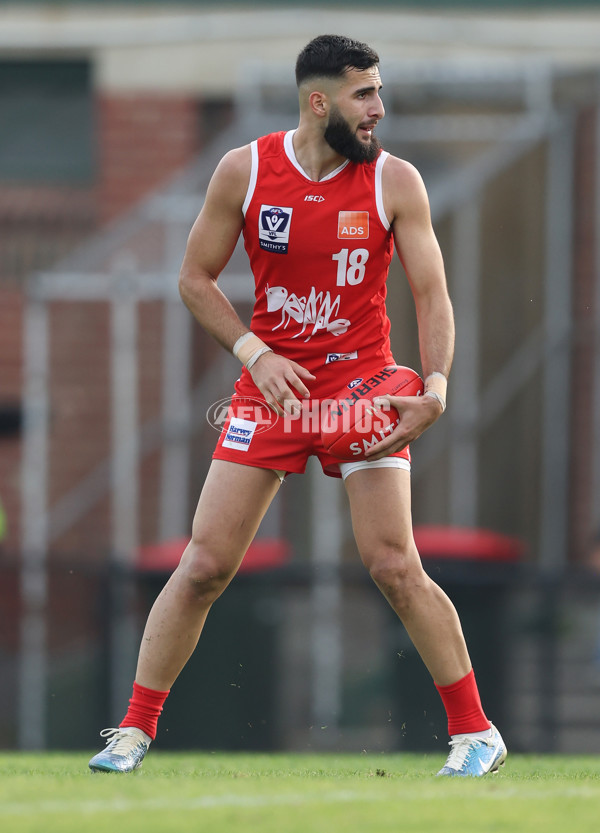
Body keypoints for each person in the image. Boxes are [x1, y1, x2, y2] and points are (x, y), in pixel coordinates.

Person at [89, 34, 506, 777]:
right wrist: (255, 352)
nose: (379, 108)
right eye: (364, 93)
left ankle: (476, 732)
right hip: (271, 391)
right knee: (205, 564)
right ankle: (132, 730)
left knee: (393, 565)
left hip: (365, 392)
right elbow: (194, 278)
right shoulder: (244, 170)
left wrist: (435, 387)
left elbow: (432, 293)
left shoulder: (394, 181)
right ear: (320, 102)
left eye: (379, 91)